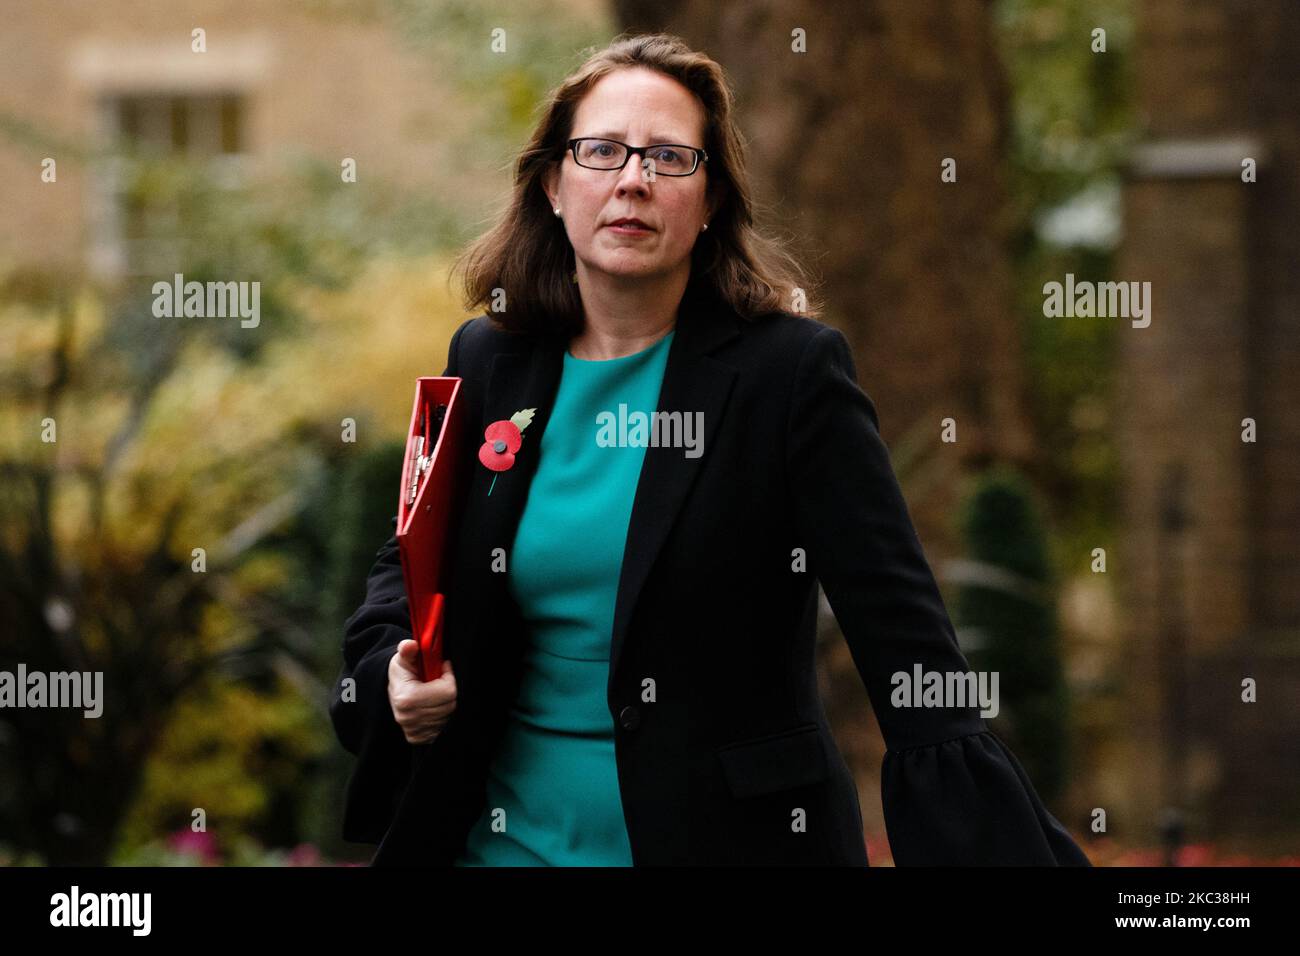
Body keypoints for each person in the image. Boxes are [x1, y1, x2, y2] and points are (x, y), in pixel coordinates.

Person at [330, 32, 1092, 867]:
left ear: (713, 199)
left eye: (669, 158)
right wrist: (392, 681)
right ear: (552, 183)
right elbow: (406, 570)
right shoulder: (486, 360)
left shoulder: (789, 376)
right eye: (602, 151)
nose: (633, 179)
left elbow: (907, 641)